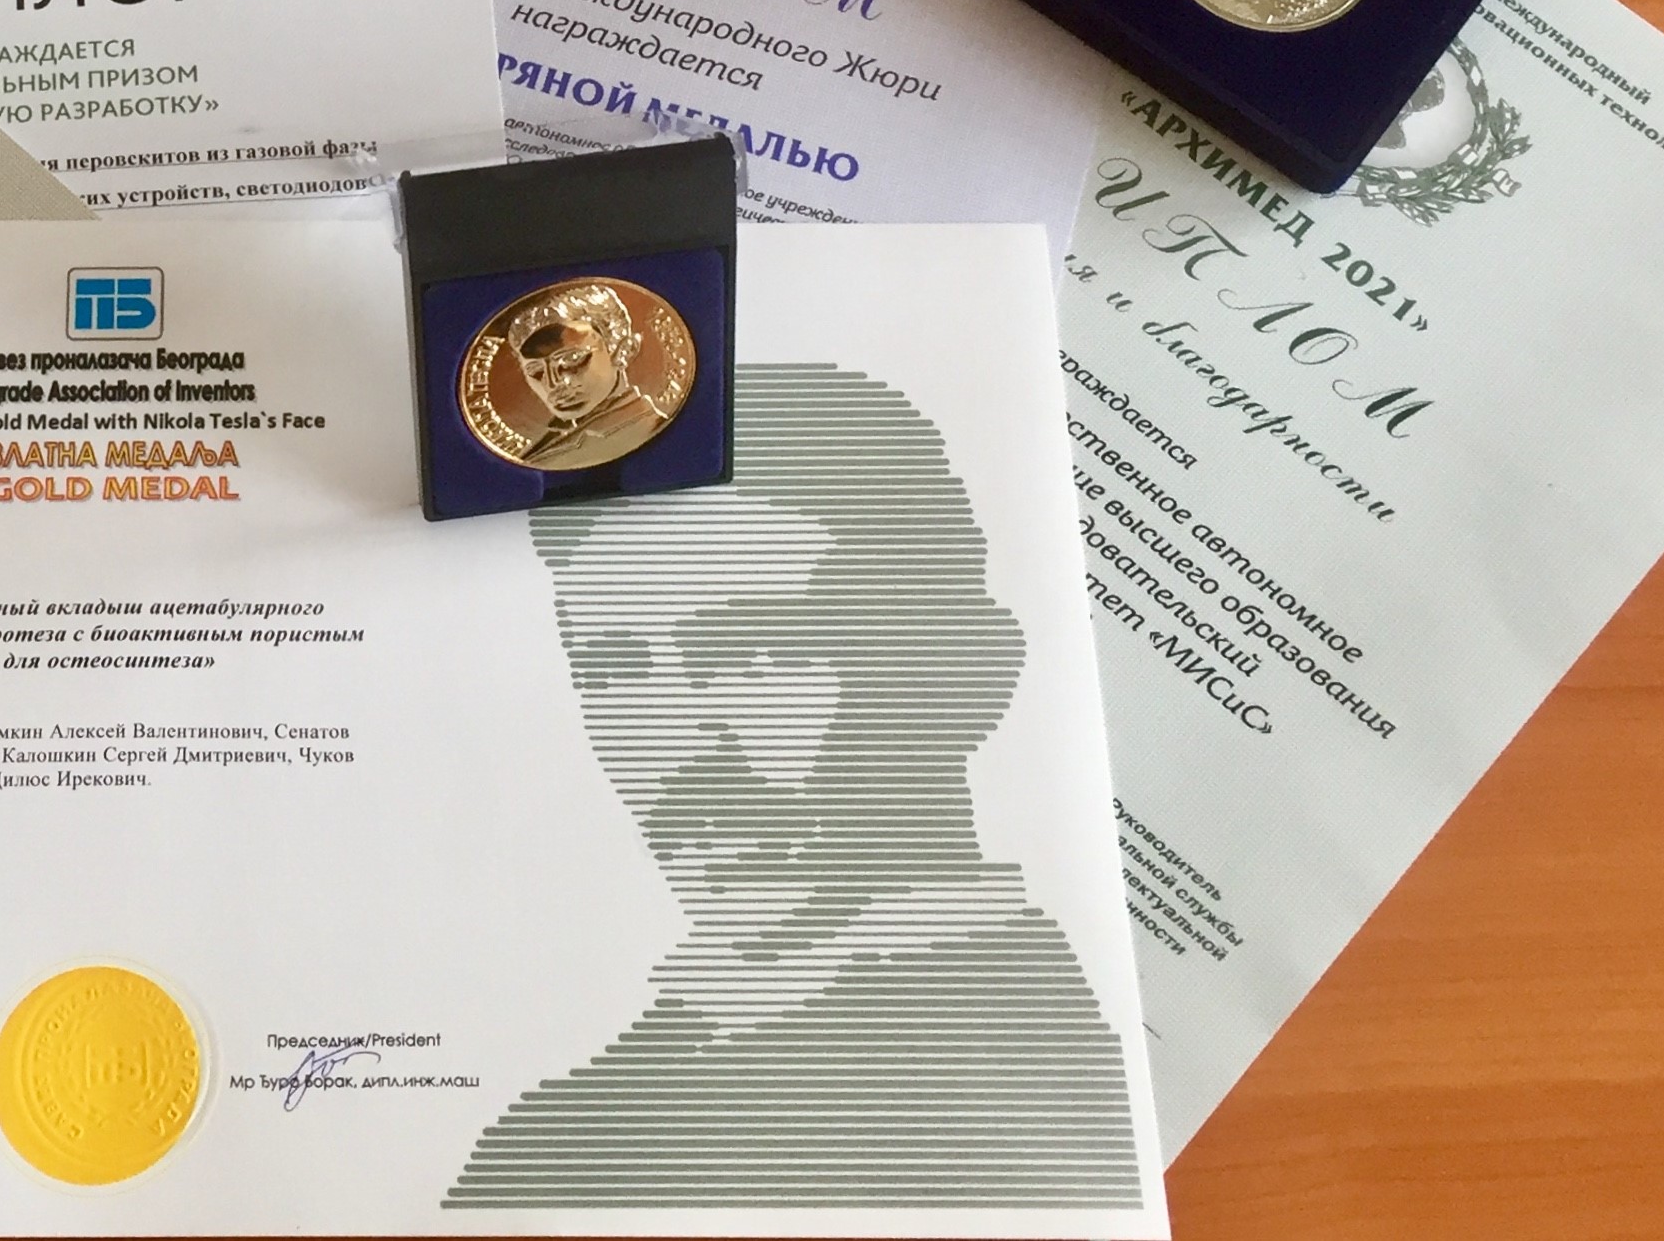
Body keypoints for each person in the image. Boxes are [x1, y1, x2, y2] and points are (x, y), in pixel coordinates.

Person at [446, 362, 1144, 1213]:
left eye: (754, 653)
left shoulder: (1023, 1102)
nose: (677, 741)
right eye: (616, 670)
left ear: (966, 673)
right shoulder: (572, 1129)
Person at [507, 282, 670, 470]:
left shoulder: (646, 428)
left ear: (622, 351)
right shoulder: (543, 444)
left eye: (571, 360)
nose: (553, 383)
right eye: (535, 371)